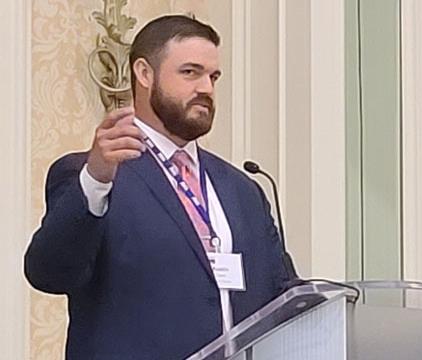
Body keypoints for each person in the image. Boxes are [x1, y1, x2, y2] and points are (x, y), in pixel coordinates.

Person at [25, 15, 291, 359]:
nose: (206, 88)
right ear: (144, 74)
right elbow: (50, 273)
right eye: (190, 72)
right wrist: (95, 180)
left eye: (213, 76)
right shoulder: (92, 174)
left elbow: (282, 294)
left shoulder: (243, 188)